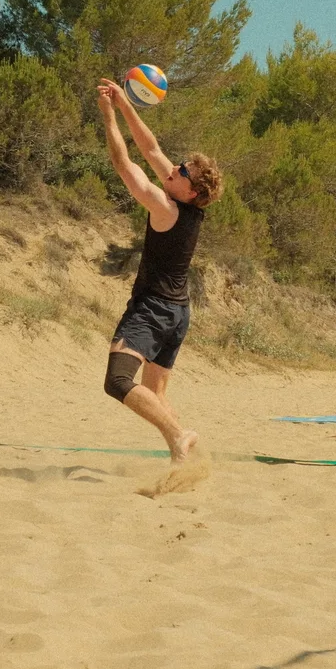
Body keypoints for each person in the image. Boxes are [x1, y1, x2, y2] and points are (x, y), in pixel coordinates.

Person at [96, 79, 224, 463]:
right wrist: (124, 103)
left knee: (118, 381)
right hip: (178, 312)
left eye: (182, 171)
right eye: (180, 165)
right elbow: (150, 148)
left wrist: (108, 117)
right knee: (156, 394)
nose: (174, 168)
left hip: (153, 310)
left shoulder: (166, 207)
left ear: (192, 191)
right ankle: (189, 460)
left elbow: (124, 165)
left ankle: (177, 435)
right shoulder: (188, 203)